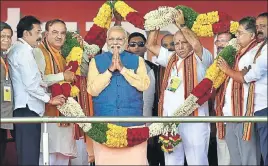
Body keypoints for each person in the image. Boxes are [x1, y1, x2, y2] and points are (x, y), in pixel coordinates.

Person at [146, 10, 213, 165]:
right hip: (171, 121)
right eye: (177, 43)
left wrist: (182, 25)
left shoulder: (201, 58)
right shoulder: (171, 59)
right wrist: (157, 22)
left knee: (197, 161)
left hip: (194, 120)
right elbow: (150, 45)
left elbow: (196, 44)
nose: (180, 46)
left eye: (184, 42)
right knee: (171, 162)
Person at [87, 26, 150, 165]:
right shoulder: (96, 61)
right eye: (111, 39)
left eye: (119, 39)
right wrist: (109, 71)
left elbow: (144, 85)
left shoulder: (137, 61)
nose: (115, 43)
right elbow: (92, 90)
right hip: (104, 126)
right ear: (107, 41)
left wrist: (122, 70)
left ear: (126, 41)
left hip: (133, 125)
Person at [7, 15, 65, 165]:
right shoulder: (23, 52)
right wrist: (49, 99)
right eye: (38, 32)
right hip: (27, 109)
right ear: (26, 34)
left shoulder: (20, 49)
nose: (40, 36)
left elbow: (36, 80)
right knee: (29, 158)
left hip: (25, 109)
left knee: (29, 155)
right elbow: (31, 84)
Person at [216, 16, 261, 165]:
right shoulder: (239, 52)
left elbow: (244, 77)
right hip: (231, 113)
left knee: (248, 158)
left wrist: (227, 70)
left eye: (240, 33)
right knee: (236, 159)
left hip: (244, 113)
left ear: (252, 35)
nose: (237, 36)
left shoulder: (254, 53)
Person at [33, 19, 78, 165]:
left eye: (62, 33)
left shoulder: (66, 53)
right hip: (48, 111)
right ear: (46, 34)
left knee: (63, 157)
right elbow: (39, 80)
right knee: (48, 156)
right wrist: (62, 76)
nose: (59, 36)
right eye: (55, 32)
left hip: (65, 111)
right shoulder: (39, 51)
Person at [214, 32, 233, 166]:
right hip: (220, 120)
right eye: (218, 41)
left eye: (224, 41)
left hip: (236, 119)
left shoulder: (238, 63)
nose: (220, 44)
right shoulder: (214, 65)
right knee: (223, 159)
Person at [0, 22, 14, 165]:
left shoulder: (5, 57)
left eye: (9, 37)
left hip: (3, 118)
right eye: (2, 36)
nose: (6, 39)